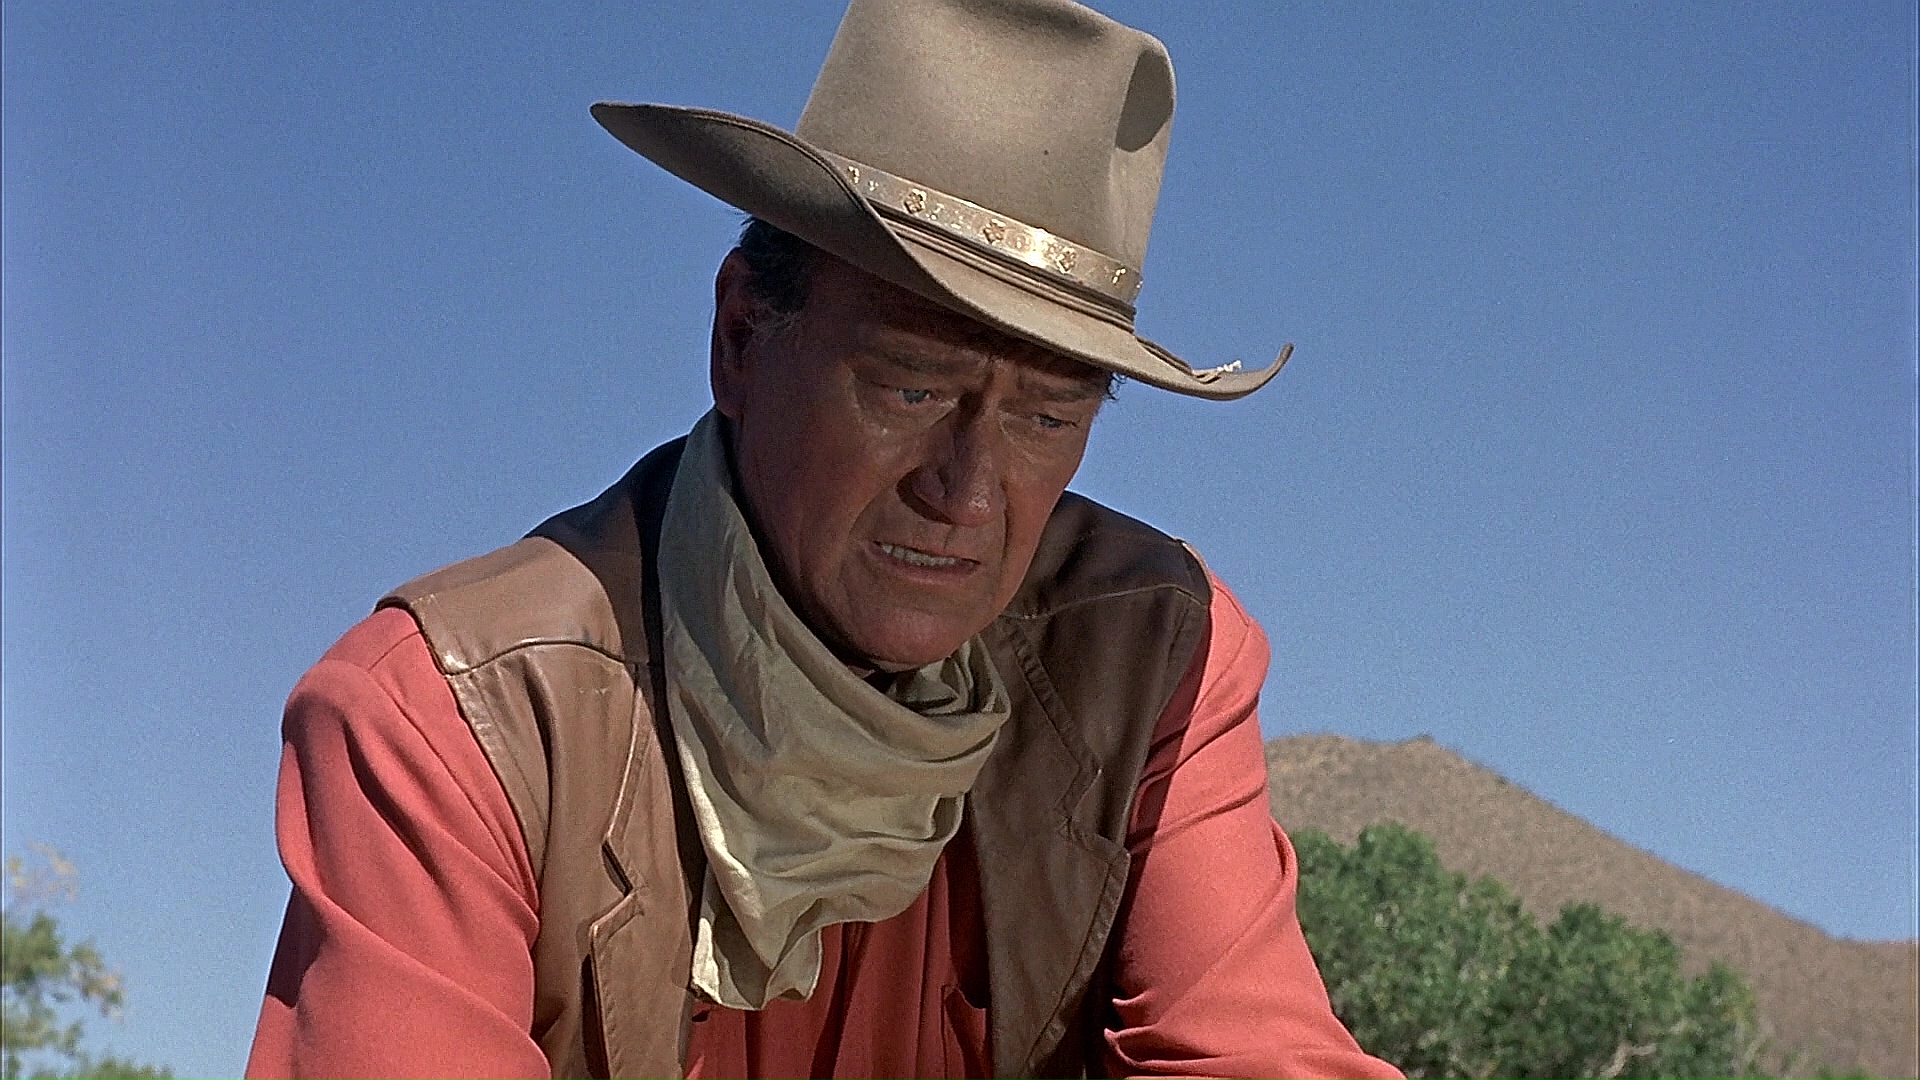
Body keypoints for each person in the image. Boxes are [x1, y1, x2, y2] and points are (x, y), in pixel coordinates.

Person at [245, 0, 1406, 1077]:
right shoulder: (460, 717)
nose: (967, 493)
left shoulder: (1156, 662)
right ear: (741, 339)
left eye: (1047, 419)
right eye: (910, 388)